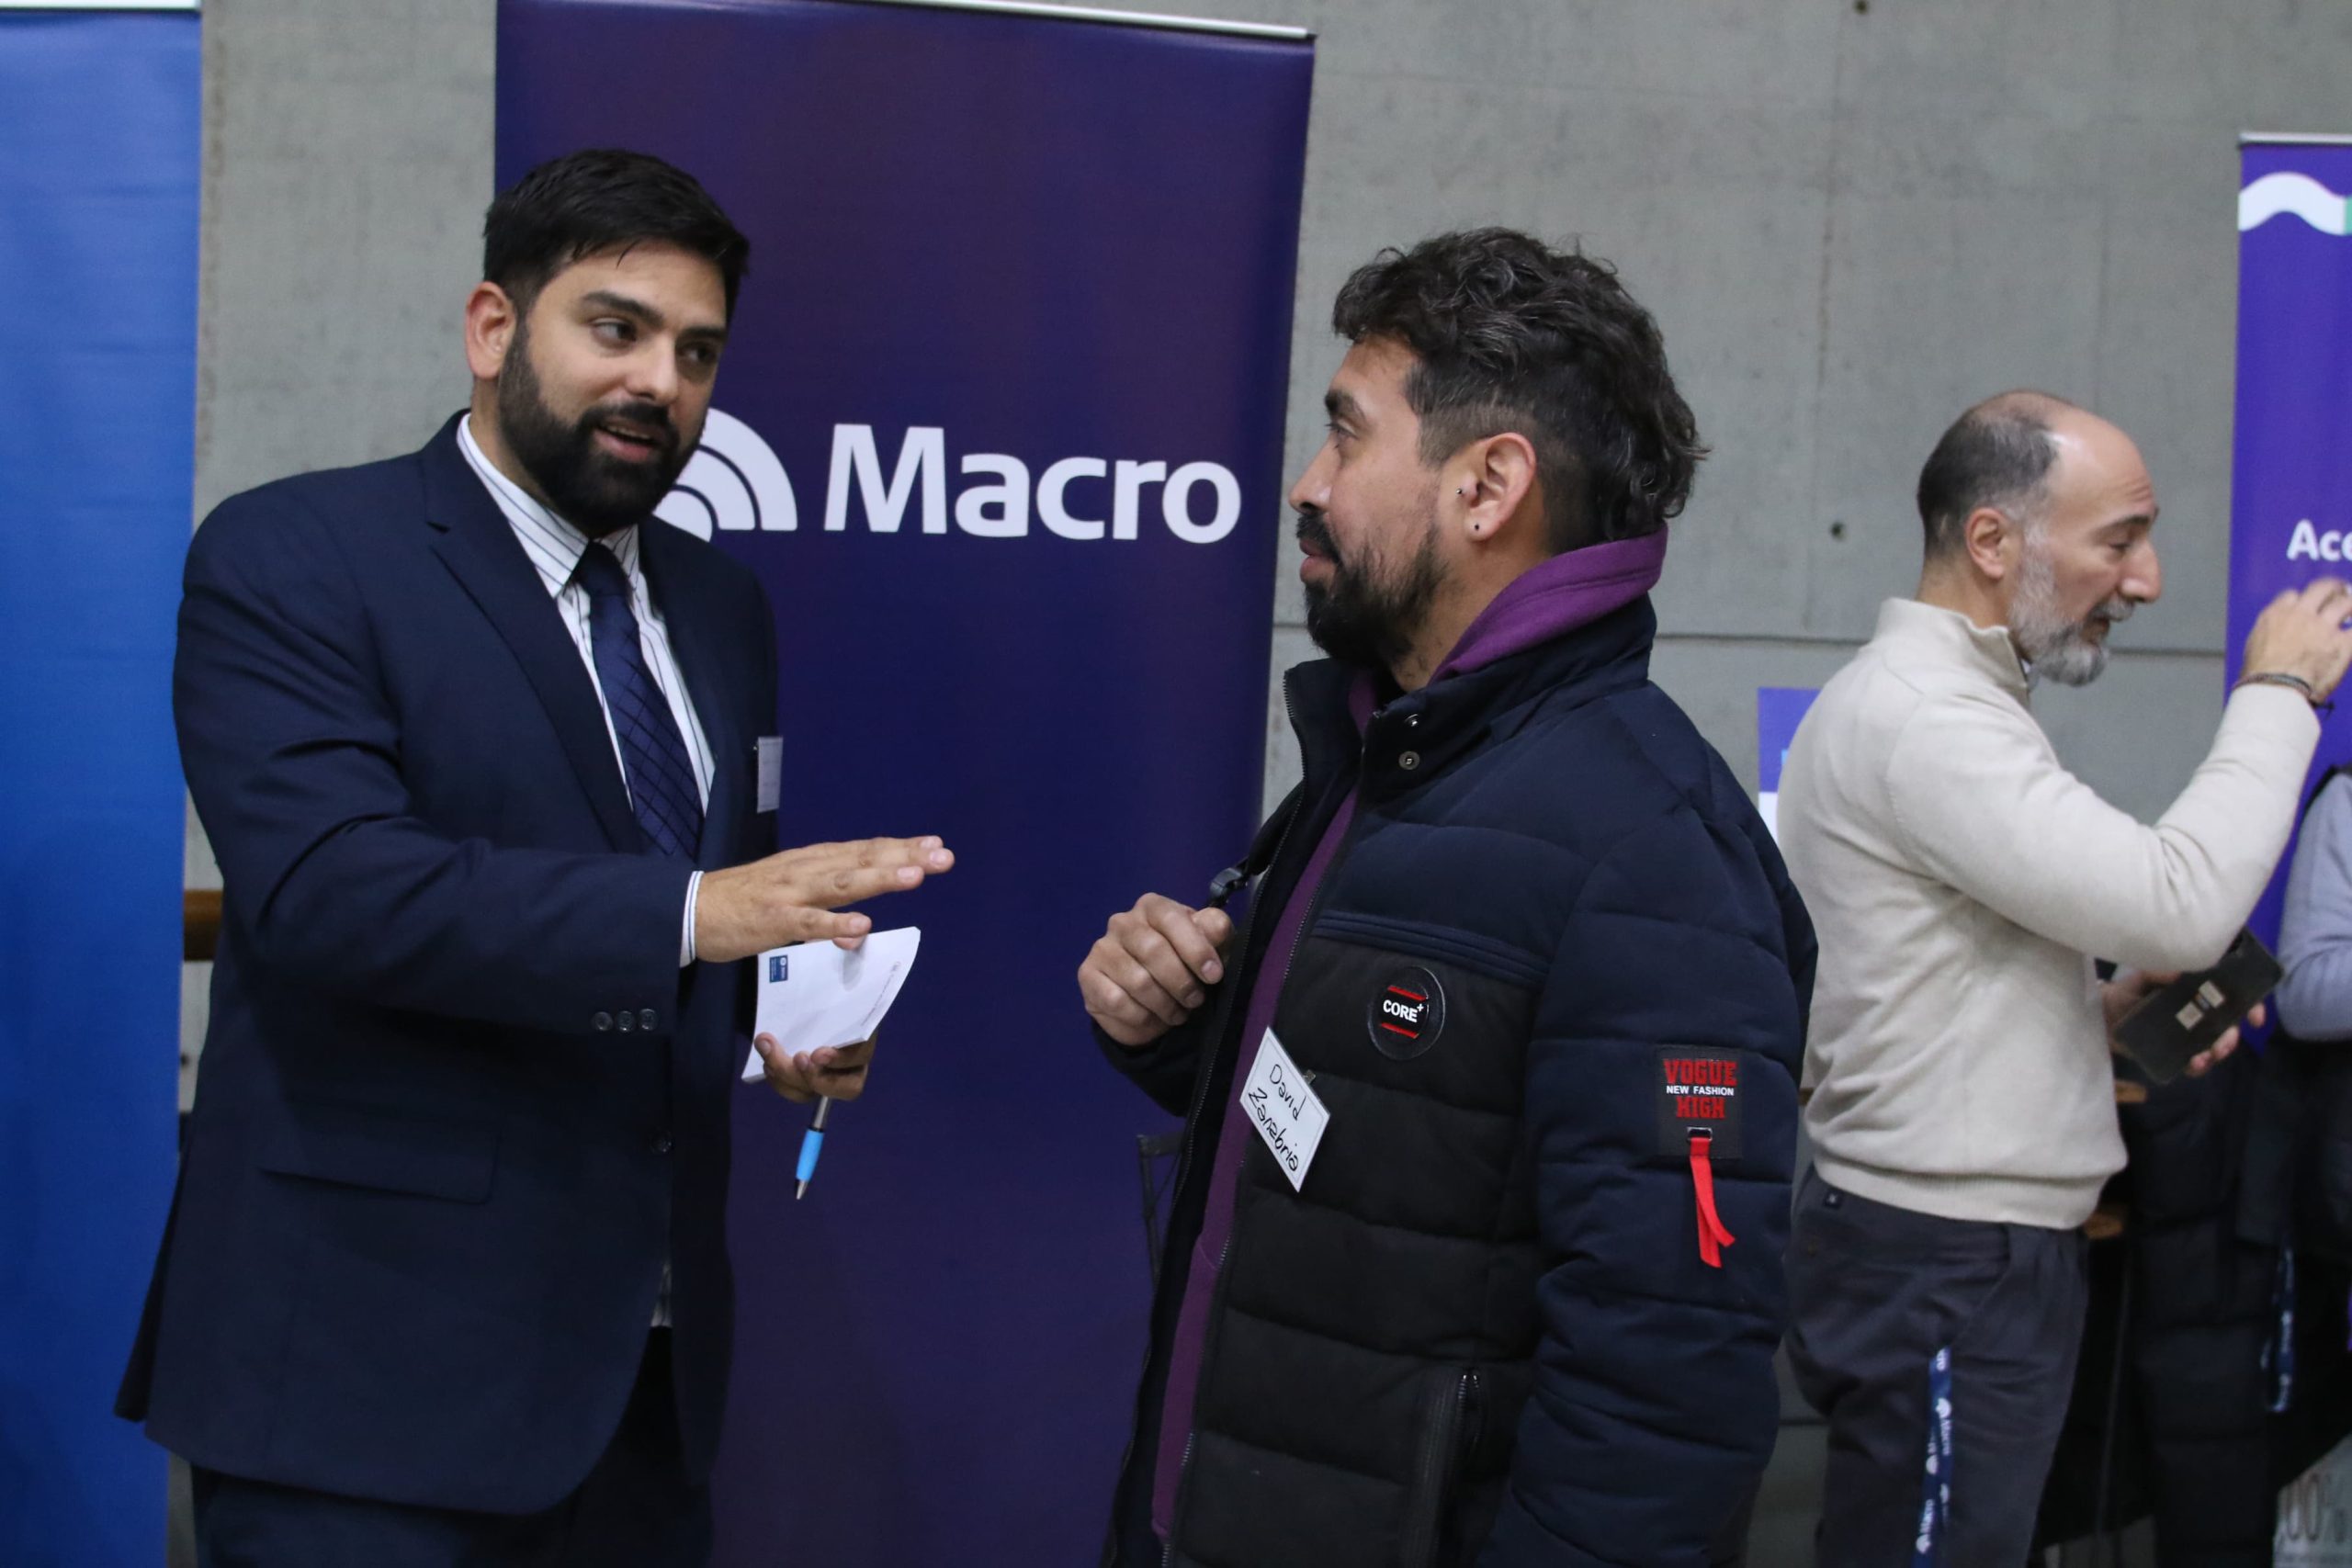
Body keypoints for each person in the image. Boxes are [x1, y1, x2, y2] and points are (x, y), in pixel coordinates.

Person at [116, 149, 953, 1565]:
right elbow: (331, 891)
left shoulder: (723, 606)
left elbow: (683, 913)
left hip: (644, 1393)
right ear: (494, 326)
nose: (660, 382)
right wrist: (698, 913)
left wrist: (770, 1032)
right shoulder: (296, 553)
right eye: (616, 328)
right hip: (364, 1390)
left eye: (697, 351)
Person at [1079, 229, 1814, 1567]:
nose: (1307, 484)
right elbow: (1401, 1141)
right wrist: (1182, 1027)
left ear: (1488, 486)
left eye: (1346, 435)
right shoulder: (1399, 751)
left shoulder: (1655, 850)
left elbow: (1664, 1394)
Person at [1775, 389, 2352, 1565]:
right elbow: (2180, 901)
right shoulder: (1927, 718)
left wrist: (2102, 1015)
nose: (2145, 581)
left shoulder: (1949, 703)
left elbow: (1926, 992)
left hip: (1961, 1252)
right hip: (1947, 1258)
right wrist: (2278, 695)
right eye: (2119, 540)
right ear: (1993, 541)